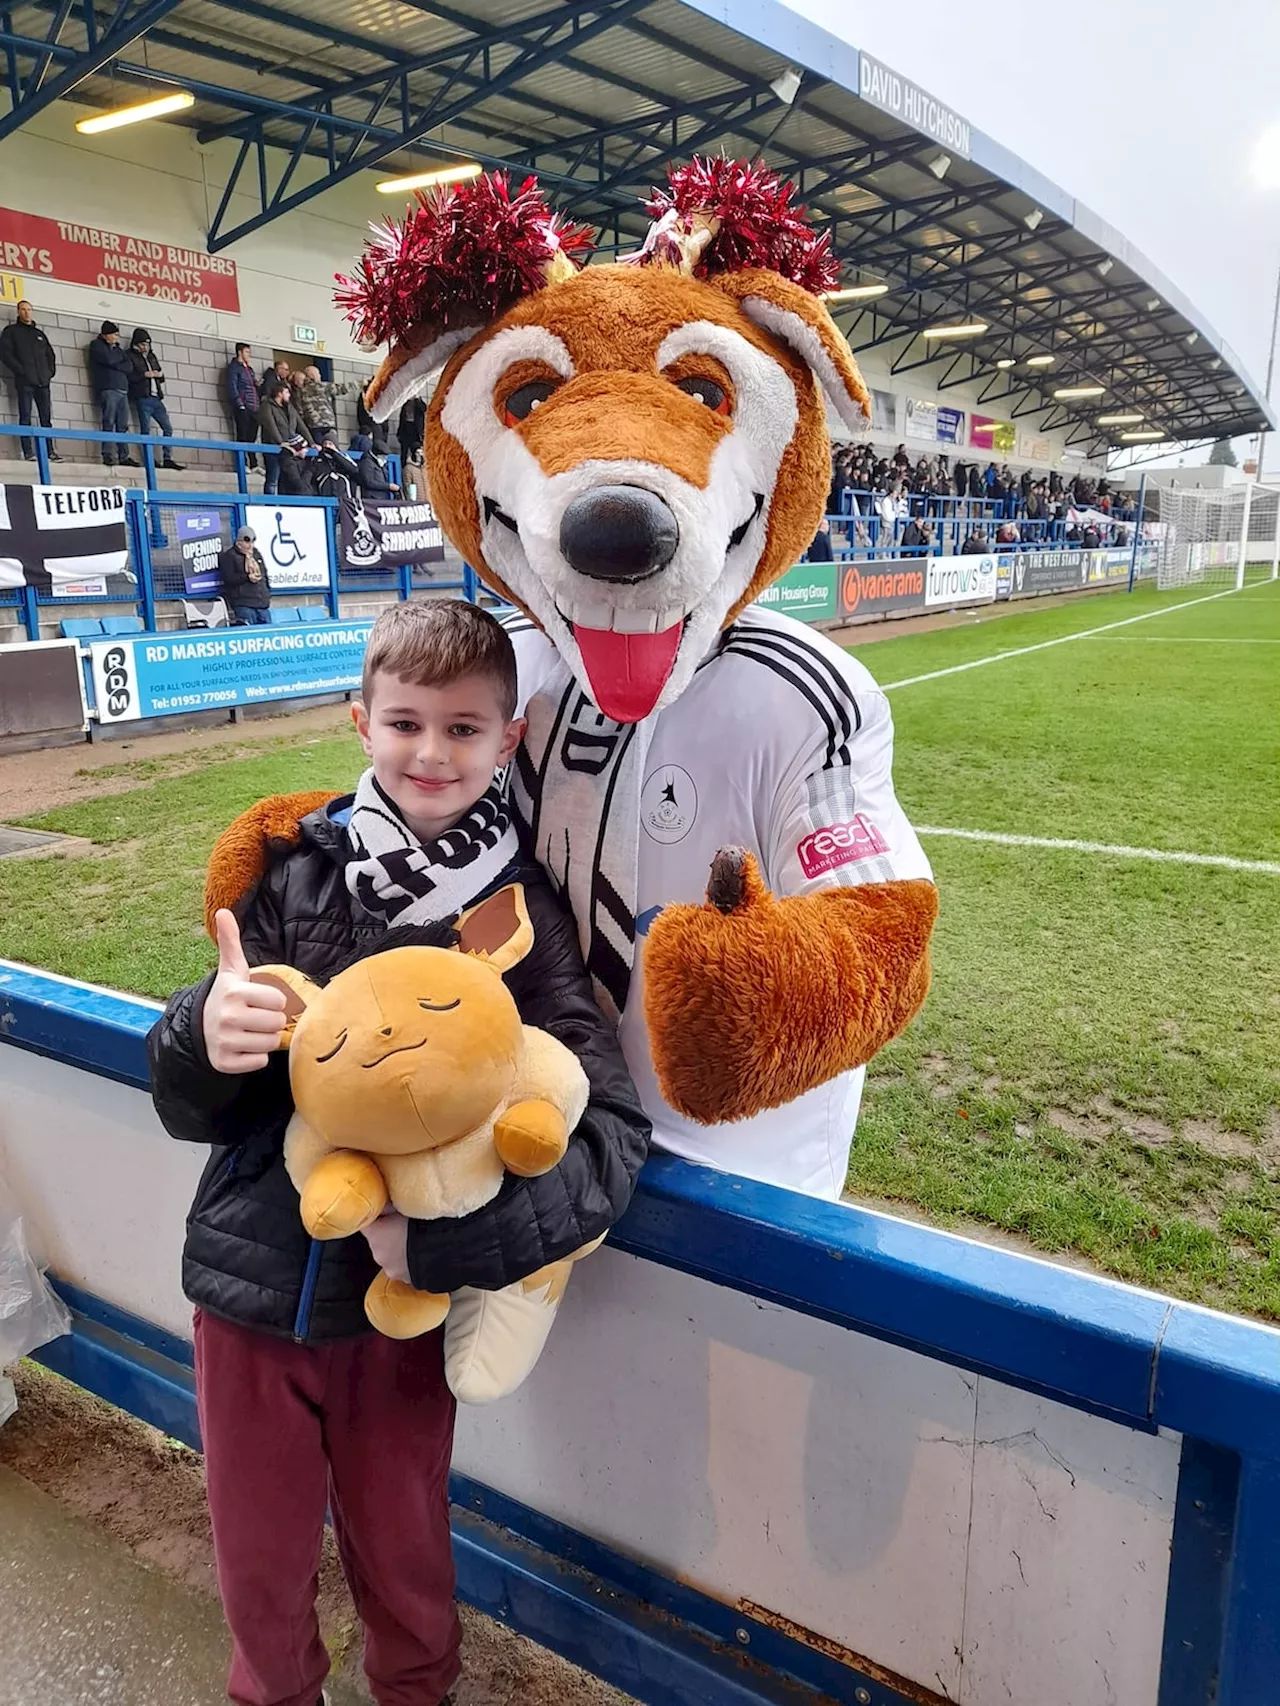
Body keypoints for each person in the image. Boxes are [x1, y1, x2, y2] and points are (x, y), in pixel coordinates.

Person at [146, 599, 649, 1706]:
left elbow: (607, 1130)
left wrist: (441, 1242)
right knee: (257, 1561)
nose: (432, 751)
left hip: (399, 1318)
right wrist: (200, 1032)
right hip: (248, 1294)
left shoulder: (523, 920)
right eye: (406, 721)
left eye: (464, 728)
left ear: (508, 738)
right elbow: (194, 1106)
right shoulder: (291, 875)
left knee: (408, 1553)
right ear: (360, 720)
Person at [0, 300, 61, 462]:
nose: (27, 313)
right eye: (23, 309)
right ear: (18, 312)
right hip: (25, 382)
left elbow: (50, 355)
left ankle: (50, 452)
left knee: (46, 419)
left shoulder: (39, 334)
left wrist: (49, 373)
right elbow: (6, 355)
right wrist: (22, 372)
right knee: (25, 417)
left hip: (43, 382)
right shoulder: (11, 331)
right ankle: (28, 452)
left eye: (29, 309)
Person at [127, 330, 184, 471]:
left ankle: (167, 458)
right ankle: (149, 459)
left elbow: (161, 376)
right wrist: (144, 375)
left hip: (156, 396)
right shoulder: (130, 356)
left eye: (147, 344)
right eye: (142, 344)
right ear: (136, 344)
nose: (145, 347)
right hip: (143, 396)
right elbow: (130, 376)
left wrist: (159, 374)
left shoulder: (152, 356)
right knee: (145, 430)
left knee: (168, 428)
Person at [88, 320, 135, 467]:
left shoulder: (119, 350)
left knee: (122, 424)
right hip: (108, 388)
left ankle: (123, 455)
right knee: (108, 421)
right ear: (106, 335)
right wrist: (118, 363)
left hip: (122, 389)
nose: (117, 337)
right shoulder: (97, 346)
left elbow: (129, 366)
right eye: (114, 334)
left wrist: (116, 364)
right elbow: (108, 360)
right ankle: (107, 454)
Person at [257, 375, 314, 496]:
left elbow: (301, 425)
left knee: (285, 480)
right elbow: (270, 426)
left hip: (290, 450)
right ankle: (271, 506)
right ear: (279, 393)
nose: (289, 394)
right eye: (287, 392)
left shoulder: (290, 408)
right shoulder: (266, 406)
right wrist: (280, 442)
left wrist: (312, 442)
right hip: (274, 448)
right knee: (273, 479)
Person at [218, 525, 271, 624]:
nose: (250, 545)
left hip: (262, 604)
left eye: (252, 542)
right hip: (244, 604)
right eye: (247, 542)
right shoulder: (229, 556)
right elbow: (229, 579)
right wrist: (247, 577)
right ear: (239, 542)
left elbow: (264, 574)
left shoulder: (256, 554)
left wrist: (267, 593)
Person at [225, 343, 261, 471]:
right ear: (240, 352)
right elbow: (232, 386)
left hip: (254, 407)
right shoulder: (234, 368)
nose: (249, 355)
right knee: (242, 435)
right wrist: (239, 403)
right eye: (247, 352)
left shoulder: (249, 369)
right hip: (243, 406)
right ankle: (242, 464)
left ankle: (254, 464)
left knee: (252, 437)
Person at [295, 365, 350, 439]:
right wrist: (361, 383)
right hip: (327, 424)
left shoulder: (301, 391)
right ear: (313, 375)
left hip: (311, 426)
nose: (320, 375)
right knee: (331, 446)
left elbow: (300, 411)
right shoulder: (322, 386)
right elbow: (342, 388)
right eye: (318, 373)